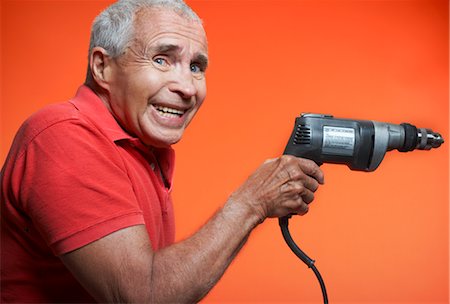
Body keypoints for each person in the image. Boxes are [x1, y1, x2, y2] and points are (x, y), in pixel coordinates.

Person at [0, 0, 324, 302]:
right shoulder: (63, 135)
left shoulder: (143, 147)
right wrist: (252, 202)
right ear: (102, 67)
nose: (187, 87)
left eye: (196, 66)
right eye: (161, 59)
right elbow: (143, 294)